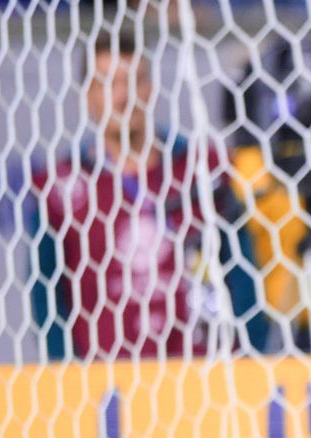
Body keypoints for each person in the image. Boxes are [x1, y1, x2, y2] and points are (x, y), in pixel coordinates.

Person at [31, 31, 267, 360]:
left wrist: (245, 358)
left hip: (199, 376)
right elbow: (45, 298)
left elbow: (243, 273)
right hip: (106, 386)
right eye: (107, 83)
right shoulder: (62, 186)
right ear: (87, 96)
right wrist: (68, 377)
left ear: (151, 88)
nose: (122, 96)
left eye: (133, 81)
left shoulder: (201, 170)